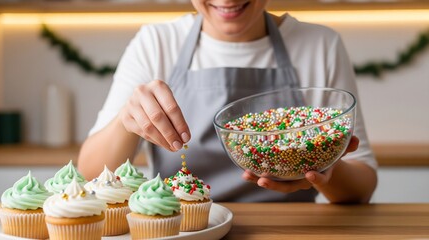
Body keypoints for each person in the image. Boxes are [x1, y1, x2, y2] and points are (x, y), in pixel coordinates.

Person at [78, 0, 377, 203]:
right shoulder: (157, 43)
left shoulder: (320, 45)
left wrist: (323, 172)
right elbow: (90, 175)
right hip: (183, 228)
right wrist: (124, 122)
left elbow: (362, 187)